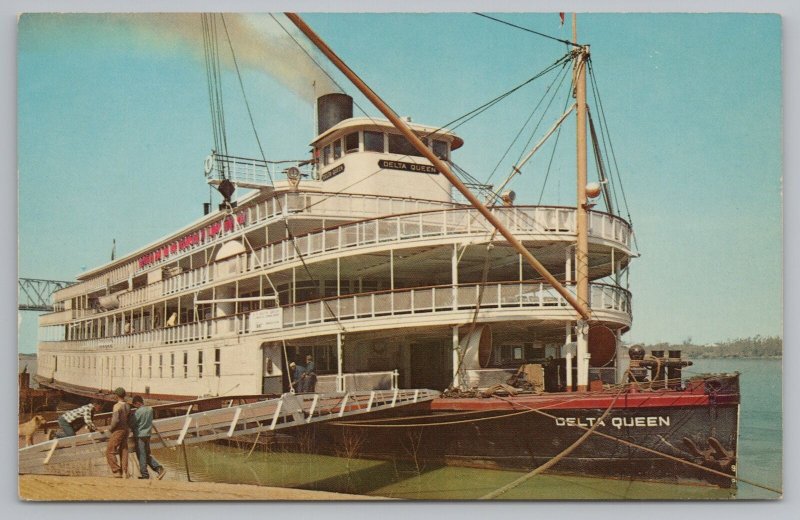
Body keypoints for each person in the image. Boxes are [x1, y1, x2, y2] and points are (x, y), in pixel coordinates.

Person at [128, 395, 166, 480]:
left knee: (141, 455)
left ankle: (146, 474)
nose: (135, 406)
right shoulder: (150, 409)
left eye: (135, 405)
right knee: (146, 454)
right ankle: (158, 469)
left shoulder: (137, 412)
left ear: (137, 403)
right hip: (148, 434)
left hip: (139, 435)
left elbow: (132, 423)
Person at [105, 387, 130, 478]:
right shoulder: (127, 405)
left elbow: (115, 421)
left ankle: (116, 470)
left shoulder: (116, 406)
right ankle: (125, 471)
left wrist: (110, 429)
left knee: (110, 451)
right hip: (126, 429)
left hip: (118, 430)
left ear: (117, 395)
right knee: (124, 450)